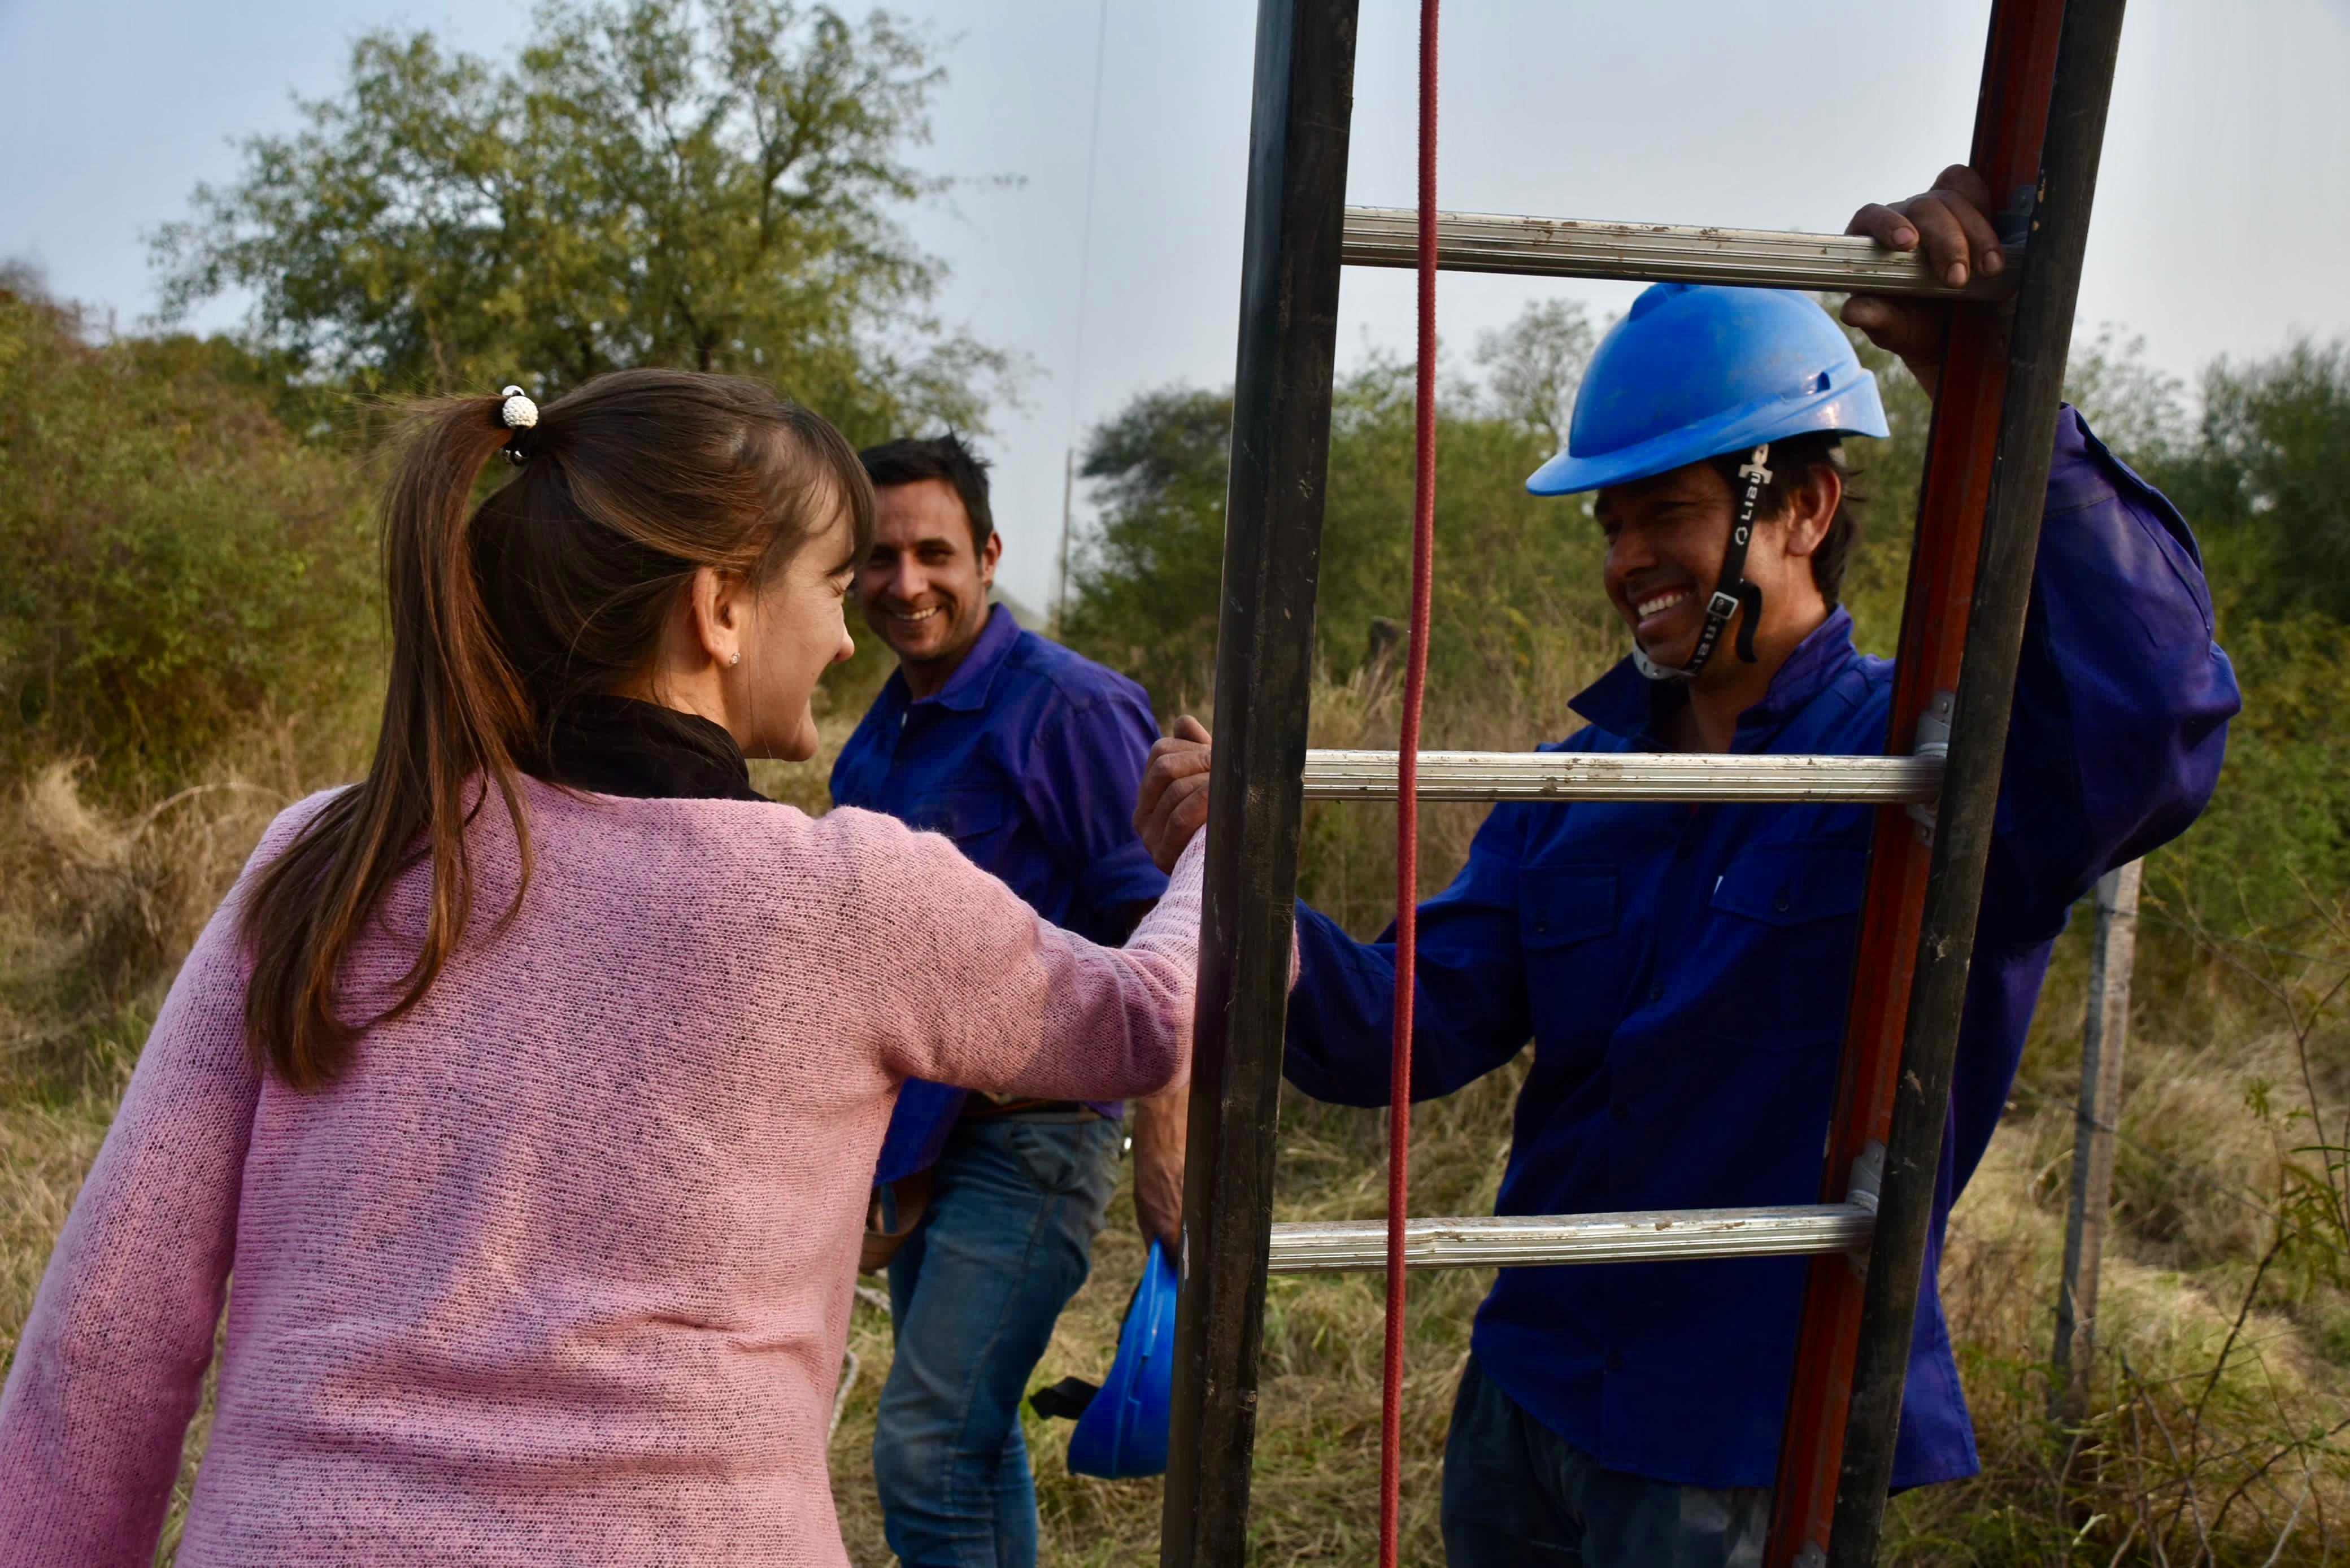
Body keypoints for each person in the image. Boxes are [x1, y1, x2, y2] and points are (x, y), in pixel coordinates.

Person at [1132, 168, 2242, 1566]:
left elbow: (2155, 710)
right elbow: (1389, 1027)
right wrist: (1232, 884)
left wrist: (2000, 389)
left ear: (1804, 507)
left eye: (1663, 512)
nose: (1627, 560)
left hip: (1741, 1436)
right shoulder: (1571, 785)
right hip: (1529, 1390)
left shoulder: (1930, 775)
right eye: (1607, 525)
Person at [0, 371, 1207, 1568]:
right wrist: (1216, 845)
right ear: (721, 604)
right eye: (834, 584)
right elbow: (1146, 1018)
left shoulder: (328, 856)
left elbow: (104, 1333)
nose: (849, 633)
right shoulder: (850, 897)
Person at [830, 433, 1186, 1568]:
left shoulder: (1070, 710)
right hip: (926, 1147)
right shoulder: (876, 735)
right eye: (878, 560)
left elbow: (1163, 933)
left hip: (1033, 1137)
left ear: (987, 552)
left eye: (933, 551)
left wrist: (1166, 1149)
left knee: (925, 1454)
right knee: (975, 1445)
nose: (905, 583)